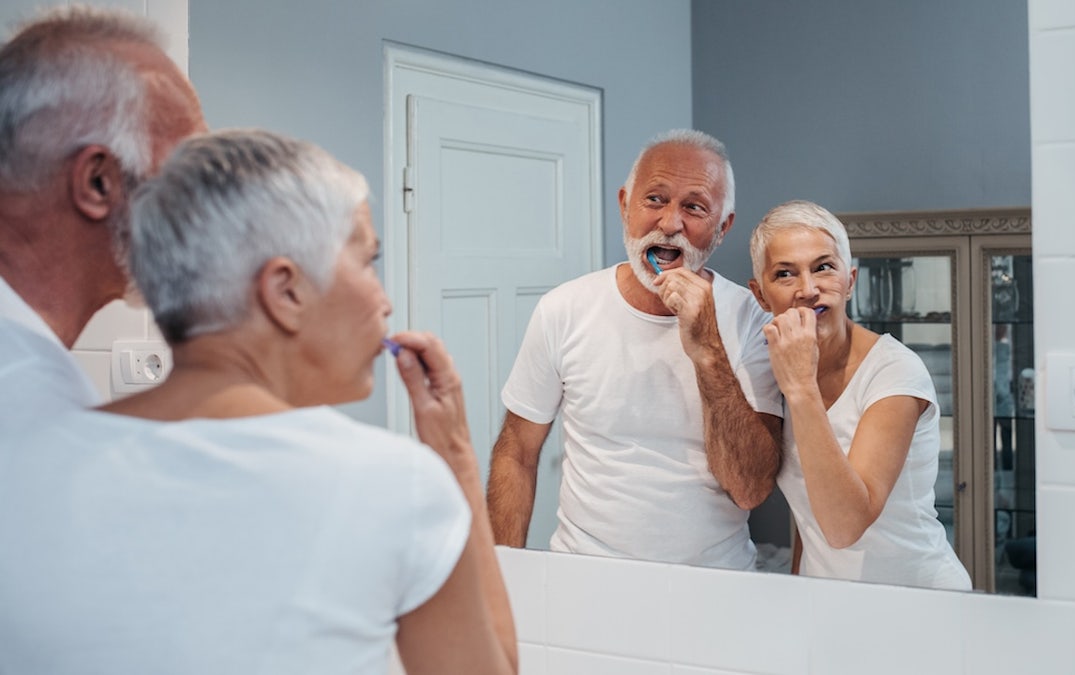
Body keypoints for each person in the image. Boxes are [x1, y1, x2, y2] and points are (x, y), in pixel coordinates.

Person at [0, 129, 518, 675]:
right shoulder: (393, 484)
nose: (384, 300)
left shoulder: (22, 465)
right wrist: (455, 453)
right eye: (368, 261)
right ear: (285, 291)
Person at [487, 129, 783, 570]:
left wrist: (708, 348)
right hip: (585, 574)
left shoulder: (751, 320)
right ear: (625, 205)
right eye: (655, 200)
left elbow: (749, 489)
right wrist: (503, 579)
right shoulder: (563, 310)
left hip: (715, 584)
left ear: (723, 227)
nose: (669, 224)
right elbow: (516, 451)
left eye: (694, 207)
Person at [0, 6, 205, 433]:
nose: (203, 206)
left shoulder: (36, 376)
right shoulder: (24, 401)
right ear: (98, 182)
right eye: (186, 173)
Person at [747, 200, 971, 590]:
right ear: (761, 296)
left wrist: (800, 388)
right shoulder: (774, 370)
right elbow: (810, 518)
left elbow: (844, 525)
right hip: (830, 603)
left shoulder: (893, 371)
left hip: (919, 600)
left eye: (824, 267)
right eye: (785, 274)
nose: (808, 289)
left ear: (850, 281)